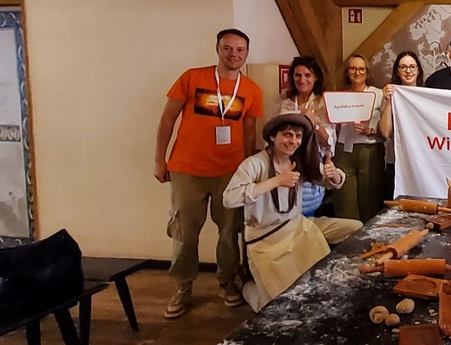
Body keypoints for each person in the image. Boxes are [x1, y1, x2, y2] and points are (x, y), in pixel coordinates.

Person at [154, 28, 263, 318]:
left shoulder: (251, 89)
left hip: (229, 172)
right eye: (228, 48)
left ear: (246, 53)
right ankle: (183, 287)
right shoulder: (192, 78)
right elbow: (167, 119)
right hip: (187, 170)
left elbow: (249, 131)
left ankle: (227, 282)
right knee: (184, 232)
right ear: (217, 49)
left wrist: (246, 170)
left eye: (240, 50)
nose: (233, 54)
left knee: (229, 232)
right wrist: (159, 160)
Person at [223, 114, 362, 311]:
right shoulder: (255, 163)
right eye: (287, 135)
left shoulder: (299, 160)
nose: (293, 141)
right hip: (266, 240)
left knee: (356, 229)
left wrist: (335, 175)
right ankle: (246, 286)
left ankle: (344, 277)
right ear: (273, 137)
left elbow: (331, 181)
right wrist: (276, 181)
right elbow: (229, 198)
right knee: (276, 308)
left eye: (298, 136)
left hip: (298, 228)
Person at [276, 56, 334, 216]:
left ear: (316, 77)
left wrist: (314, 122)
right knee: (284, 207)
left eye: (307, 75)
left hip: (310, 162)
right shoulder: (284, 100)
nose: (302, 80)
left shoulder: (324, 103)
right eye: (298, 75)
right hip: (285, 162)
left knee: (306, 209)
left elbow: (329, 141)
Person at [332, 54, 385, 221]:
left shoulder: (379, 94)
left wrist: (370, 130)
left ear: (367, 72)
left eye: (361, 69)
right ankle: (348, 234)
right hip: (343, 150)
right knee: (344, 200)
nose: (357, 72)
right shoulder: (339, 96)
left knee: (369, 199)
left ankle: (368, 236)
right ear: (347, 72)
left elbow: (387, 129)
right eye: (353, 69)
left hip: (369, 150)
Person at [379, 51, 423, 199]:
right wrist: (388, 102)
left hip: (421, 161)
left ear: (418, 70)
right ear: (397, 71)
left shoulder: (427, 96)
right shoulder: (390, 96)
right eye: (403, 67)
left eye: (412, 66)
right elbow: (385, 132)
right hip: (396, 161)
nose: (408, 71)